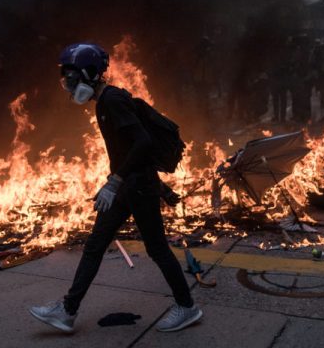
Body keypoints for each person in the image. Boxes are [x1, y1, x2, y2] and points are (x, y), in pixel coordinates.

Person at [30, 43, 201, 334]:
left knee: (157, 249)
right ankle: (67, 311)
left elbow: (143, 143)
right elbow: (130, 153)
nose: (69, 85)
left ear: (91, 74)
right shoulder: (103, 102)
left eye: (72, 78)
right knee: (95, 244)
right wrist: (135, 184)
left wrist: (115, 181)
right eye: (66, 79)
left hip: (136, 188)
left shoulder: (112, 101)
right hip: (128, 187)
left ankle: (187, 307)